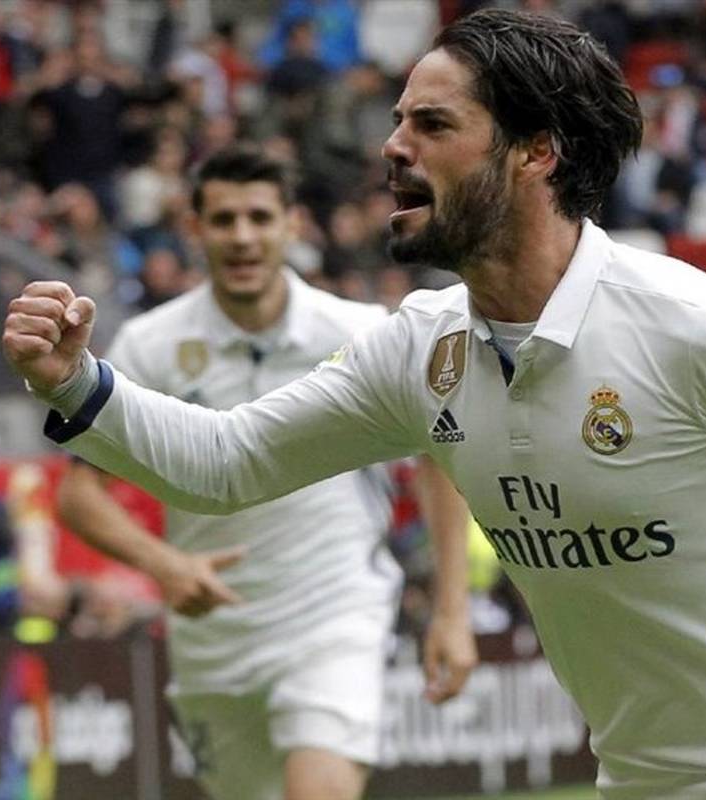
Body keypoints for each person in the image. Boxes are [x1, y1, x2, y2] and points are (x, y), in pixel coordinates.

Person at [2, 10, 706, 800]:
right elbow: (226, 463)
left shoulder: (704, 325)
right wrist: (77, 383)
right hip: (636, 781)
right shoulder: (420, 348)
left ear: (536, 152)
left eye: (433, 125)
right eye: (398, 120)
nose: (393, 147)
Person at [51, 147, 476, 800]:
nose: (243, 236)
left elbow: (438, 456)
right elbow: (79, 494)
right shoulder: (150, 346)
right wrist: (165, 565)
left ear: (292, 224)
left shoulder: (360, 332)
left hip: (335, 614)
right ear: (193, 229)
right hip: (214, 636)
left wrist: (452, 610)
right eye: (224, 220)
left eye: (259, 217)